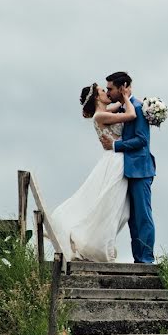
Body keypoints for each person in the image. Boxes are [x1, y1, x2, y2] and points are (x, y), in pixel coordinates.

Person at [46, 82, 137, 262]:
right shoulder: (100, 115)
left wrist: (126, 93)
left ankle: (100, 243)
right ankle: (97, 245)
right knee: (112, 205)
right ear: (97, 96)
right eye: (103, 91)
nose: (106, 92)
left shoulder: (107, 111)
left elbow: (120, 104)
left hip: (114, 159)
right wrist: (126, 98)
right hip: (114, 161)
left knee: (117, 207)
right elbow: (131, 114)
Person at [99, 71, 157, 264]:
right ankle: (138, 259)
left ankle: (146, 260)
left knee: (143, 216)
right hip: (126, 170)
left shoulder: (139, 108)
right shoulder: (124, 107)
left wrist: (116, 146)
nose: (108, 92)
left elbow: (141, 140)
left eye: (111, 88)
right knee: (132, 219)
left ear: (122, 87)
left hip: (140, 169)